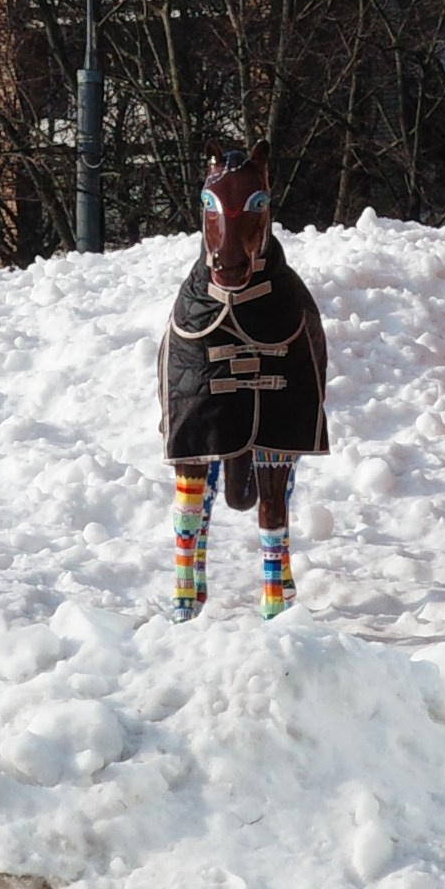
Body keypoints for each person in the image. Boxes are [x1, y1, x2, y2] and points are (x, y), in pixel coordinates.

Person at [156, 138, 328, 620]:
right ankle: (187, 583)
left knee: (276, 463)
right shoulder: (192, 310)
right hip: (207, 332)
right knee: (191, 444)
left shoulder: (289, 305)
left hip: (273, 331)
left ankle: (276, 584)